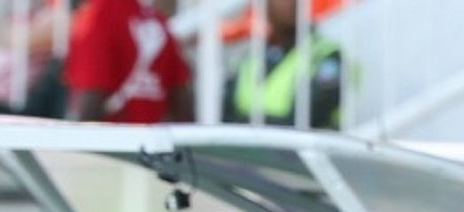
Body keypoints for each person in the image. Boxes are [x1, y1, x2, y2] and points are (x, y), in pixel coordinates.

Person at [62, 0, 192, 125]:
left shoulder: (95, 18)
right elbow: (182, 103)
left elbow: (92, 99)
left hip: (112, 142)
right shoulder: (158, 21)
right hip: (153, 143)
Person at [222, 0, 345, 130]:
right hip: (247, 149)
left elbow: (304, 121)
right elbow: (223, 117)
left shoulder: (326, 55)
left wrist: (242, 125)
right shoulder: (248, 60)